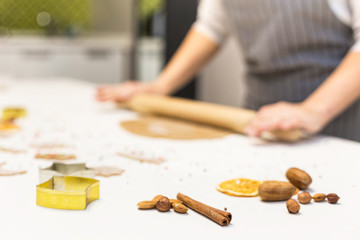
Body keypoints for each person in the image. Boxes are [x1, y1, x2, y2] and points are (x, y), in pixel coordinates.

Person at [96, 0, 360, 142]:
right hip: (258, 122)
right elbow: (210, 28)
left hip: (338, 126)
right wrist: (158, 88)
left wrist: (312, 110)